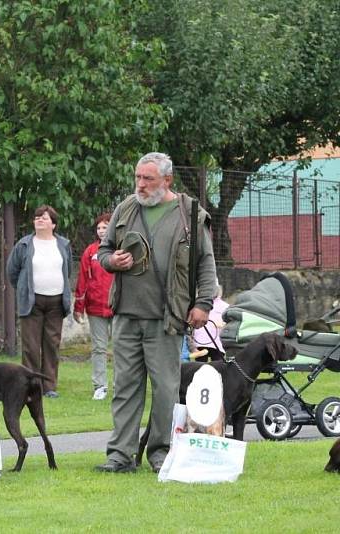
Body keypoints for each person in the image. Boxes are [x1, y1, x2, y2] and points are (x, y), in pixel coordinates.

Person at [95, 152, 216, 474]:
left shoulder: (189, 214)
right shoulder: (126, 208)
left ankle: (160, 453)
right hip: (126, 314)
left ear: (167, 180)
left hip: (167, 317)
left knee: (164, 389)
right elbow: (103, 252)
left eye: (148, 179)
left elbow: (205, 262)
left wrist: (204, 303)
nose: (141, 184)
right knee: (125, 388)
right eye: (138, 177)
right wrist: (111, 261)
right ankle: (120, 456)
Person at [7, 205, 72, 399]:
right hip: (32, 301)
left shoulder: (63, 244)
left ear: (53, 223)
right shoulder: (24, 244)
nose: (39, 220)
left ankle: (49, 386)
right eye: (37, 217)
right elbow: (12, 271)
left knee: (52, 345)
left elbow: (67, 270)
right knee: (31, 346)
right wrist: (23, 290)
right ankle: (30, 386)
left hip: (56, 301)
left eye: (44, 218)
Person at [74, 212, 114, 401]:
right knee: (99, 348)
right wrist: (78, 306)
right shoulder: (90, 251)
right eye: (98, 228)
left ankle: (121, 385)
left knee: (123, 349)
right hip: (95, 307)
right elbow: (82, 280)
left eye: (105, 227)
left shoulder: (120, 250)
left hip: (118, 307)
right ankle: (100, 386)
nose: (101, 231)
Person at [191, 279, 229, 362]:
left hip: (217, 343)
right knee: (199, 367)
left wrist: (223, 324)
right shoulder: (196, 304)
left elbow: (229, 323)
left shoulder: (225, 306)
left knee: (218, 367)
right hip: (200, 341)